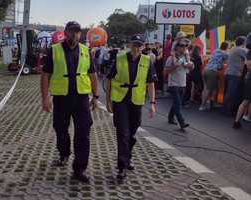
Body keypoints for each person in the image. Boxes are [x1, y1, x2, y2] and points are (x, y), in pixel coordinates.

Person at [40, 21, 99, 183]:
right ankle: (64, 153)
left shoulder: (86, 51)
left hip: (81, 98)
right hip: (61, 98)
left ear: (80, 34)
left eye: (77, 32)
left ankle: (79, 169)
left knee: (83, 134)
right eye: (71, 31)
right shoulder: (54, 50)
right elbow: (45, 75)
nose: (74, 34)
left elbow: (93, 75)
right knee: (60, 129)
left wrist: (95, 96)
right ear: (65, 32)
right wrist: (45, 98)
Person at [105, 34, 157, 181]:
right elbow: (108, 79)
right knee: (123, 133)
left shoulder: (147, 61)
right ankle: (122, 167)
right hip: (120, 100)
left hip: (136, 101)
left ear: (143, 47)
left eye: (139, 45)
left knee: (132, 135)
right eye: (134, 44)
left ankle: (127, 157)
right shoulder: (120, 59)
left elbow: (151, 83)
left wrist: (152, 103)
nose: (136, 48)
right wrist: (108, 101)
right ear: (129, 45)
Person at [165, 41, 194, 131]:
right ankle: (182, 122)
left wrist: (191, 65)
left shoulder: (185, 57)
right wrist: (175, 66)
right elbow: (166, 71)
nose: (184, 47)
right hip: (173, 84)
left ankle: (170, 117)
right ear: (176, 47)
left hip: (182, 84)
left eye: (185, 46)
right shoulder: (171, 58)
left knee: (176, 103)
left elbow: (191, 68)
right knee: (178, 104)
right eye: (182, 45)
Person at [199, 42, 229, 111]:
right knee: (208, 89)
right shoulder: (224, 53)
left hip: (205, 70)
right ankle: (203, 106)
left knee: (206, 88)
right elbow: (228, 59)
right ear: (227, 47)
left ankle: (207, 103)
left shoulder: (216, 50)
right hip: (212, 72)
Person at [223, 36, 247, 115]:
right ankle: (227, 111)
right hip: (234, 74)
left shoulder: (232, 49)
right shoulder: (241, 50)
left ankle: (226, 109)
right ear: (243, 42)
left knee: (228, 92)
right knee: (231, 93)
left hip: (228, 72)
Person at [233, 33, 251, 129]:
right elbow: (249, 66)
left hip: (248, 78)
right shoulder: (249, 52)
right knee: (246, 101)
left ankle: (242, 119)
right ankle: (236, 121)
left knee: (247, 101)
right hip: (250, 78)